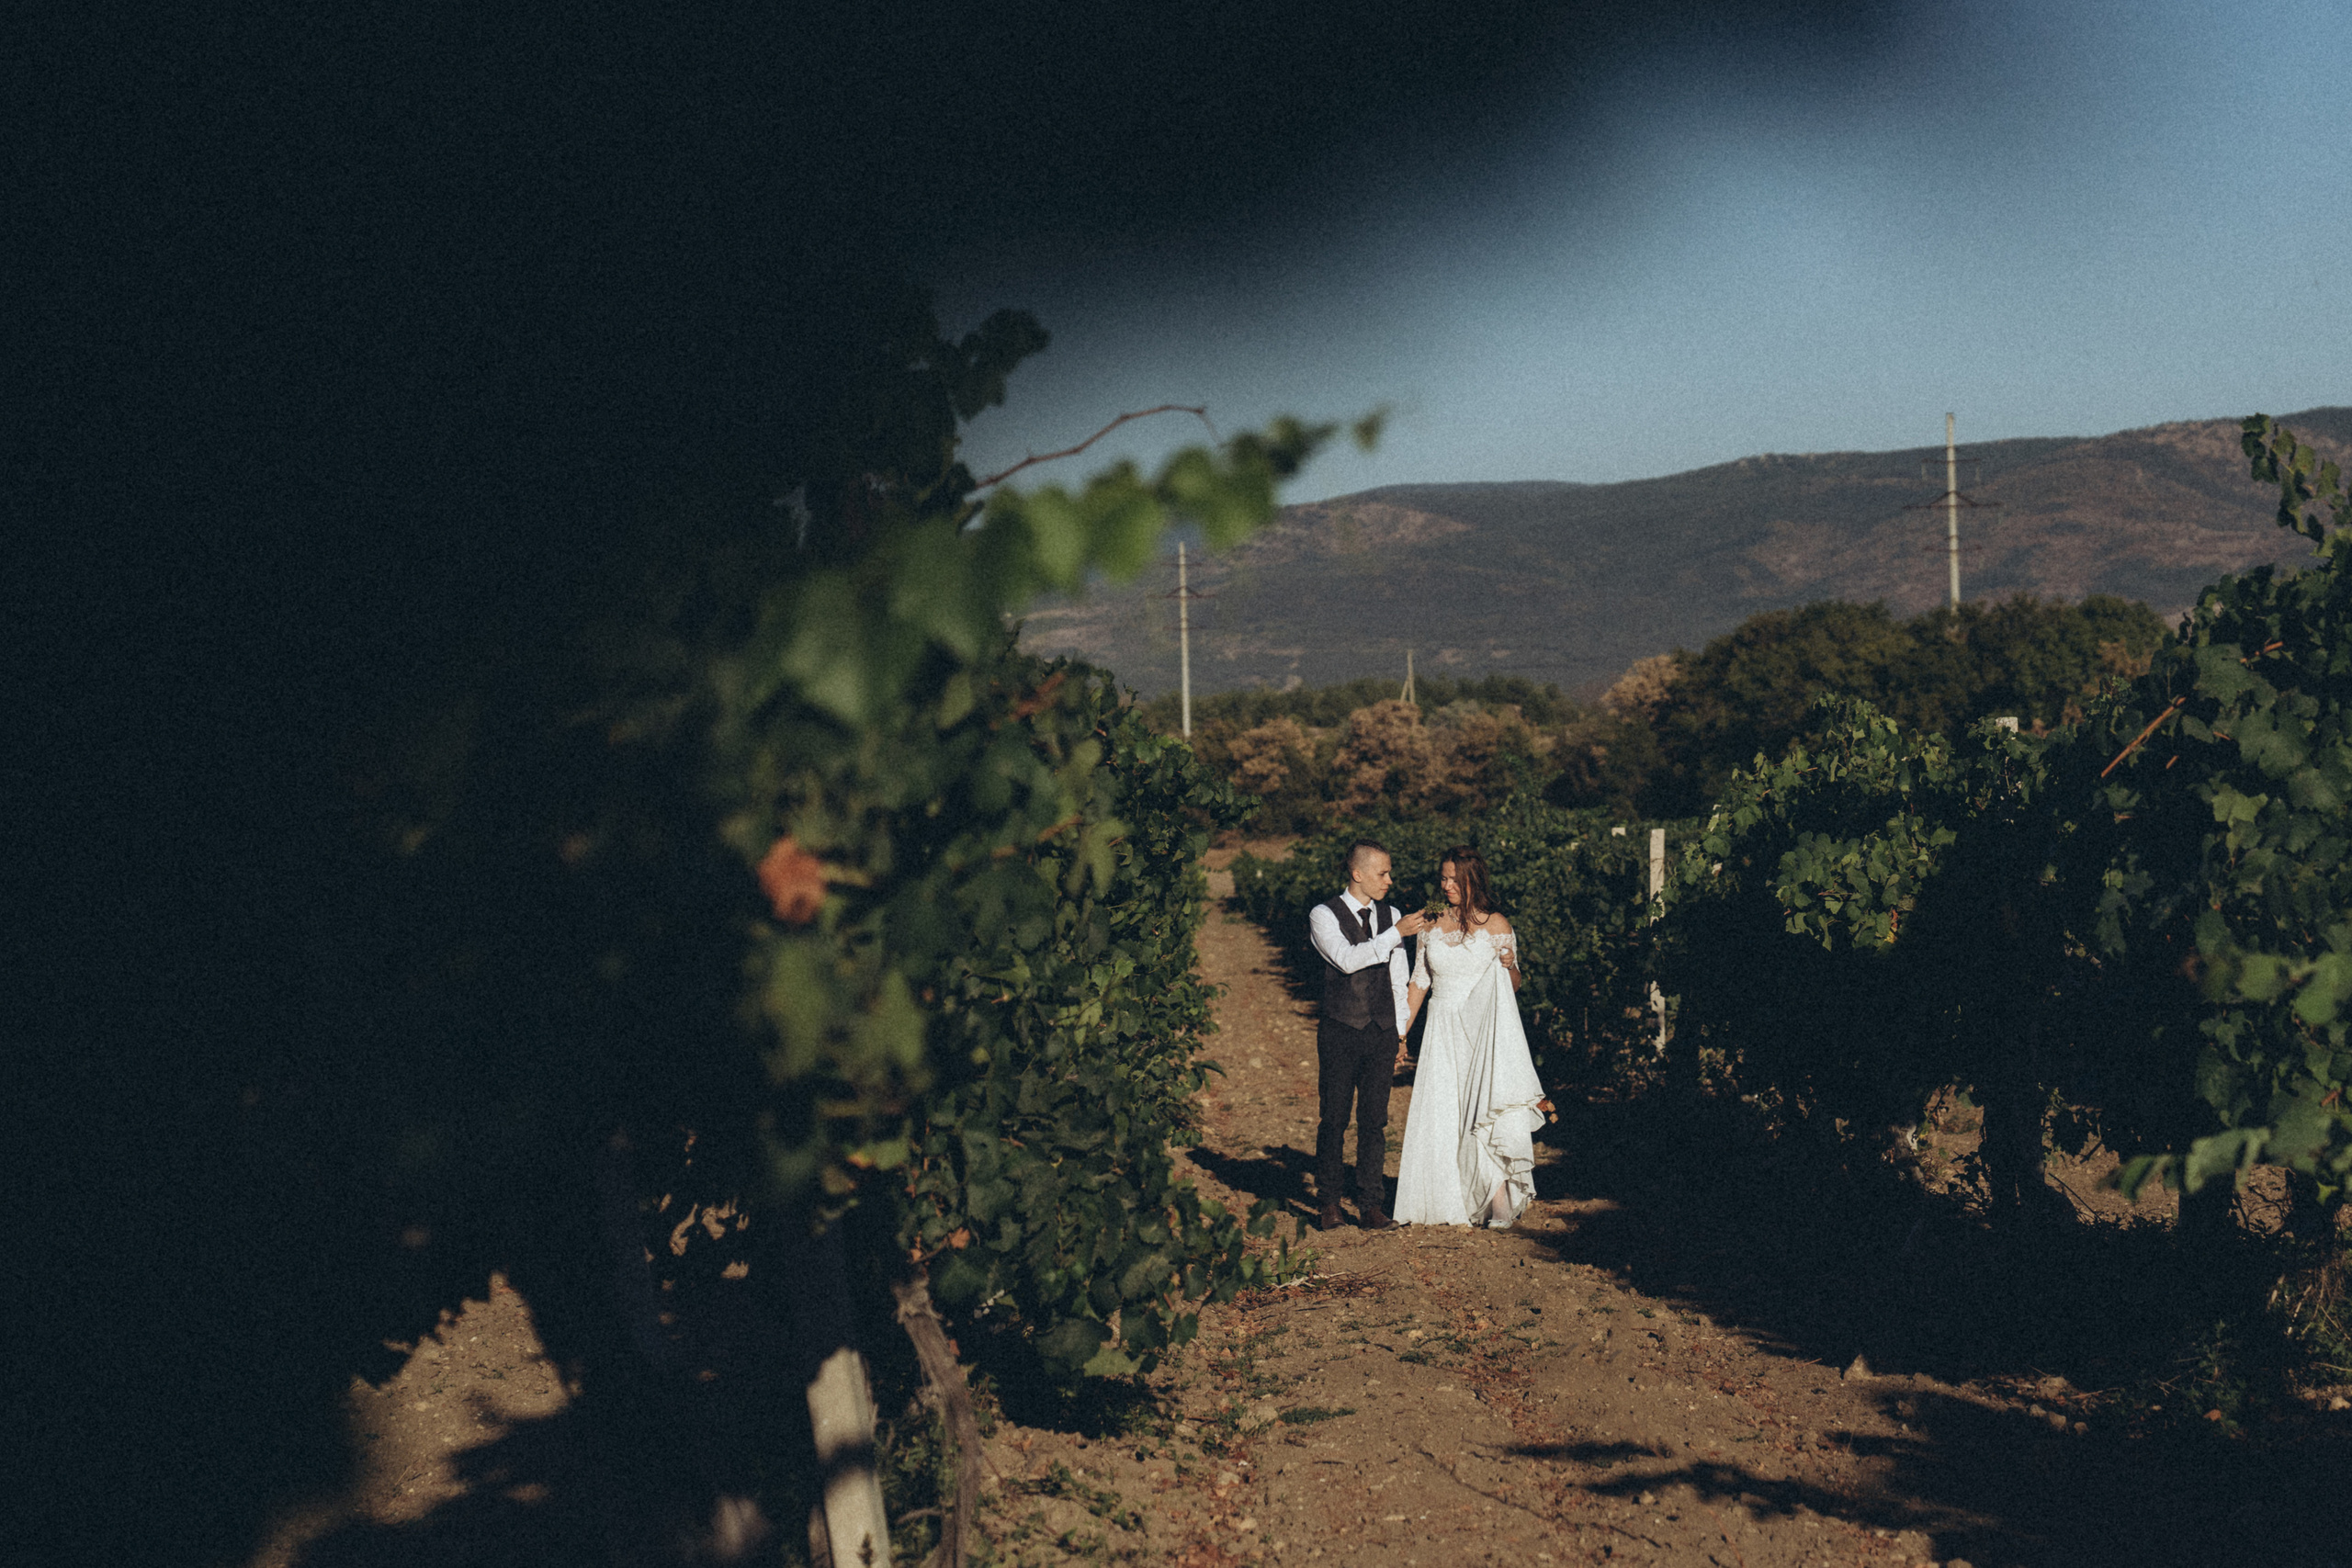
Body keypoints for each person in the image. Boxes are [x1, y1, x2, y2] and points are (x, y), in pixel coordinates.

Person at [1391, 845, 1547, 1229]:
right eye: (1443, 877)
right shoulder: (1430, 923)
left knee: (1484, 1111)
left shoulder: (1497, 925)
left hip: (1483, 1031)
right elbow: (1419, 982)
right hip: (1442, 1028)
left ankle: (1497, 1202)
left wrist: (1510, 966)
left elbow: (1511, 986)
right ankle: (1441, 1197)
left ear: (1472, 879)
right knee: (1443, 1111)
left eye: (1453, 879)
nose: (1446, 885)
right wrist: (1400, 1033)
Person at [1306, 840, 1430, 1230]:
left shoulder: (1390, 915)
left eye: (1390, 872)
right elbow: (1346, 960)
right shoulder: (1323, 915)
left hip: (1379, 1031)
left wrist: (1399, 1032)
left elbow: (1398, 979)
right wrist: (1395, 934)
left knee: (1375, 1121)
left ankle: (1371, 1204)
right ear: (1357, 874)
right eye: (1382, 873)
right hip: (1340, 1029)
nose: (1389, 881)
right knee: (1335, 1118)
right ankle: (1328, 1203)